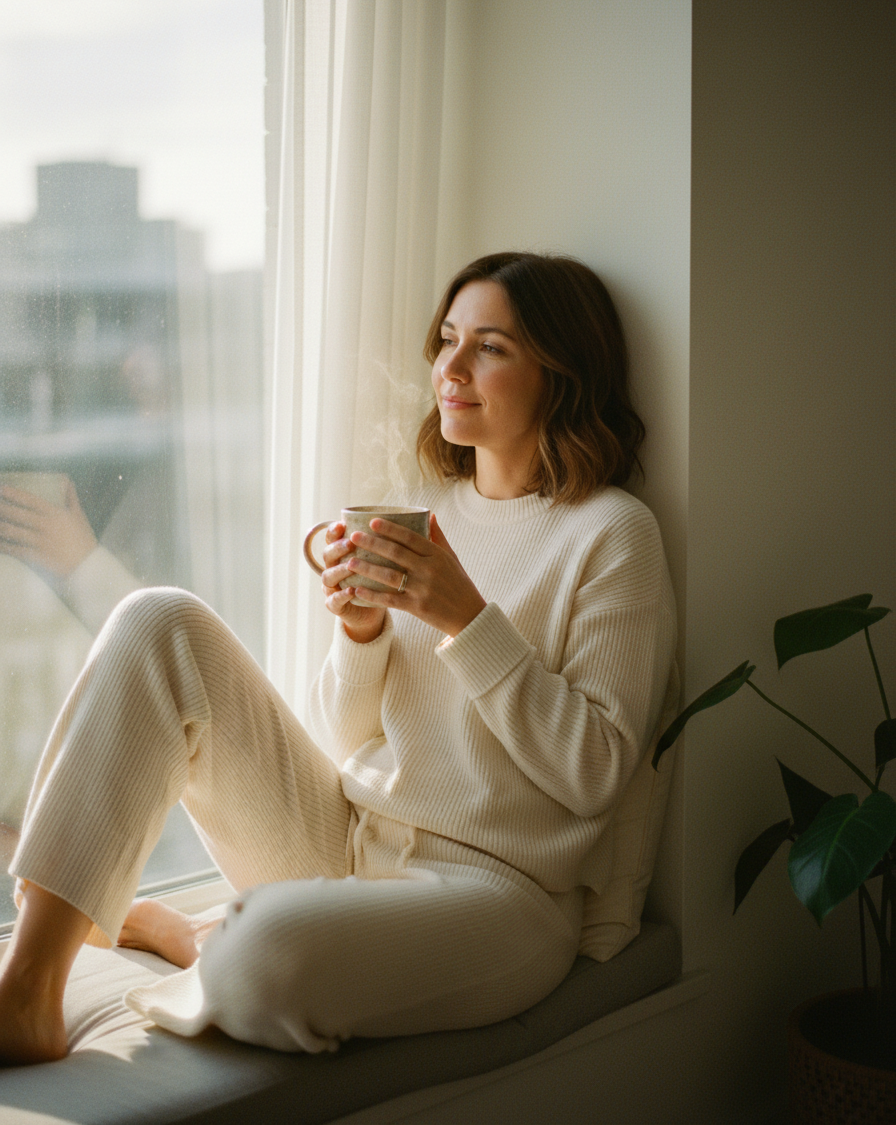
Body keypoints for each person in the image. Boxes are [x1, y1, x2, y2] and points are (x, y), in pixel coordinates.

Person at [0, 251, 676, 1066]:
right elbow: (343, 737)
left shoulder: (611, 533)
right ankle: (28, 986)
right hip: (351, 840)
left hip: (501, 897)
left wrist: (464, 617)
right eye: (449, 339)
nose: (451, 367)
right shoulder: (427, 515)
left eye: (490, 348)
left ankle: (191, 934)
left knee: (264, 955)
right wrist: (360, 633)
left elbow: (596, 773)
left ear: (561, 374)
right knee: (159, 618)